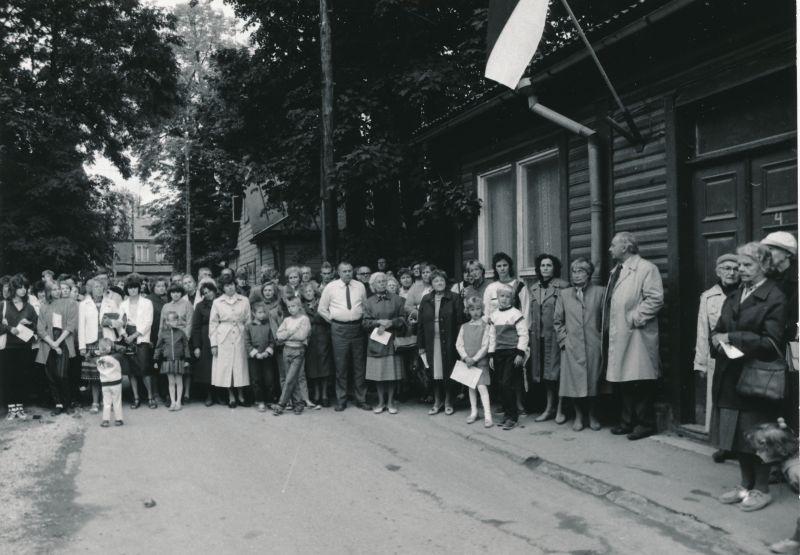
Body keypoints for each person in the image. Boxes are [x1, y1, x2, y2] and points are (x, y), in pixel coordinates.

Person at [711, 242, 786, 512]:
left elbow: (772, 342)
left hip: (757, 378)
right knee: (739, 436)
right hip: (730, 375)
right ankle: (745, 485)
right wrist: (717, 339)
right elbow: (718, 328)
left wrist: (732, 337)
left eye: (747, 265)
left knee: (759, 436)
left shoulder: (774, 296)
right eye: (740, 265)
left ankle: (762, 489)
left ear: (764, 266)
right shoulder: (735, 294)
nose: (740, 270)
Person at [603, 232, 664, 440]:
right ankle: (627, 422)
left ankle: (645, 423)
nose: (610, 249)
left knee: (639, 379)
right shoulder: (616, 271)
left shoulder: (646, 268)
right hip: (621, 332)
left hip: (637, 333)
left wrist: (635, 318)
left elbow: (655, 299)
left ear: (626, 247)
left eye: (613, 245)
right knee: (625, 379)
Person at [694, 253, 740, 458]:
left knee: (739, 401)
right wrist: (701, 363)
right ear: (718, 271)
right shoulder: (708, 296)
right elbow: (702, 330)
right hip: (718, 356)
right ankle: (723, 445)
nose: (731, 272)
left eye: (735, 268)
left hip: (740, 354)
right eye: (726, 268)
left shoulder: (744, 293)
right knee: (719, 401)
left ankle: (739, 446)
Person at [554, 258, 604, 431]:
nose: (576, 275)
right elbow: (558, 321)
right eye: (574, 271)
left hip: (593, 345)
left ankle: (593, 415)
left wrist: (601, 341)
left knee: (593, 382)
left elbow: (606, 320)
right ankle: (579, 416)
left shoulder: (600, 292)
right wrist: (564, 341)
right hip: (572, 345)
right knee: (574, 383)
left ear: (589, 274)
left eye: (580, 271)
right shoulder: (564, 294)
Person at [318, 261, 371, 411]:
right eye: (344, 271)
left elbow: (365, 306)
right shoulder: (331, 287)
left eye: (349, 271)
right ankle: (341, 399)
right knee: (340, 365)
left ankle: (361, 398)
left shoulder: (360, 286)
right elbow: (322, 309)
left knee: (359, 365)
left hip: (357, 328)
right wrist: (333, 321)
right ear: (338, 272)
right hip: (339, 329)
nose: (348, 273)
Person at [417, 270, 464, 416]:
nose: (439, 283)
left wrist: (459, 344)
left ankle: (449, 401)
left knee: (448, 372)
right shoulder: (426, 299)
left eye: (442, 280)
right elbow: (420, 325)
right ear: (431, 284)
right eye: (436, 281)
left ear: (446, 282)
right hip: (432, 342)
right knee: (434, 372)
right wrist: (421, 345)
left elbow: (460, 323)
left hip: (450, 341)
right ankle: (437, 401)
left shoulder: (455, 298)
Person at [529, 254, 569, 423]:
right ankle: (549, 407)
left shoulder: (563, 287)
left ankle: (560, 409)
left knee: (557, 373)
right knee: (546, 375)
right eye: (542, 265)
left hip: (556, 337)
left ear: (555, 268)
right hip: (539, 338)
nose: (545, 268)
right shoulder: (534, 288)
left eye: (549, 265)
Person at [363, 272, 406, 414]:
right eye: (378, 282)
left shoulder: (397, 300)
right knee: (379, 375)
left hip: (392, 341)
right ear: (373, 285)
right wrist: (377, 322)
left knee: (391, 374)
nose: (382, 283)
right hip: (376, 342)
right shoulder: (368, 302)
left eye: (384, 281)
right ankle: (381, 402)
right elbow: (364, 323)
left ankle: (390, 402)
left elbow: (403, 319)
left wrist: (392, 322)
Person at [488, 284, 529, 430]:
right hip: (499, 354)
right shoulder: (494, 315)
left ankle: (513, 416)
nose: (504, 299)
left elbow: (524, 335)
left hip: (512, 353)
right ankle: (507, 414)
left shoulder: (515, 314)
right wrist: (491, 355)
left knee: (507, 383)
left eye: (507, 297)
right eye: (501, 296)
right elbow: (492, 336)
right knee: (500, 384)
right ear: (497, 298)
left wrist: (520, 353)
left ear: (512, 299)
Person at [37, 281, 79, 416]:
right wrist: (52, 344)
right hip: (48, 343)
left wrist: (58, 343)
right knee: (51, 376)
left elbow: (71, 325)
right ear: (48, 292)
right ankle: (58, 404)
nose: (57, 292)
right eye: (53, 289)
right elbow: (40, 328)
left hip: (64, 341)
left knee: (62, 375)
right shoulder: (44, 307)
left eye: (58, 289)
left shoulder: (70, 303)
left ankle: (67, 403)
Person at [210, 274, 251, 408]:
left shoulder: (244, 300)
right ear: (222, 288)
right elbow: (213, 324)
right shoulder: (217, 302)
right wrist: (214, 344)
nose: (230, 288)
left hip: (240, 334)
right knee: (226, 366)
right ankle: (230, 396)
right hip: (224, 336)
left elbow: (248, 320)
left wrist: (249, 339)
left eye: (232, 284)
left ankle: (241, 394)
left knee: (240, 365)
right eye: (226, 286)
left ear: (235, 285)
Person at [1, 274, 38, 419]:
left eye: (25, 287)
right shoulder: (3, 305)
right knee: (9, 377)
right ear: (13, 288)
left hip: (25, 346)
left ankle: (20, 407)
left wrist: (29, 324)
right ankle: (11, 408)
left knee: (23, 376)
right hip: (8, 347)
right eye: (20, 287)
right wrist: (9, 328)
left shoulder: (29, 307)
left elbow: (38, 326)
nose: (23, 290)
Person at [118, 275, 156, 409]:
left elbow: (148, 323)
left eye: (135, 288)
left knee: (145, 369)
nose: (132, 290)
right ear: (126, 290)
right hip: (127, 337)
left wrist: (134, 336)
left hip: (141, 337)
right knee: (131, 370)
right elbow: (119, 322)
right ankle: (136, 398)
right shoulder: (123, 304)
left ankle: (151, 397)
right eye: (130, 288)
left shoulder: (147, 303)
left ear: (139, 289)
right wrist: (124, 335)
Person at [456, 296, 493, 427]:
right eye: (472, 309)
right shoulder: (464, 327)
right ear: (468, 311)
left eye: (478, 309)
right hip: (468, 362)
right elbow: (459, 344)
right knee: (471, 387)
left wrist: (475, 359)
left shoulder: (485, 326)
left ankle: (488, 415)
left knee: (482, 387)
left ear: (482, 310)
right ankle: (474, 412)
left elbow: (485, 345)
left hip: (479, 361)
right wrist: (466, 357)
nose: (475, 312)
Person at [273, 296, 311, 415]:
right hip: (286, 350)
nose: (291, 309)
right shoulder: (287, 320)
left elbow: (302, 336)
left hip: (298, 351)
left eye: (293, 306)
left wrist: (287, 334)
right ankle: (298, 404)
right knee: (291, 378)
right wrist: (292, 332)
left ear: (299, 306)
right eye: (289, 306)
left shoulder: (304, 319)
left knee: (290, 379)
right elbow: (279, 335)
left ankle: (281, 404)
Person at [300, 283, 333, 407]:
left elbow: (327, 318)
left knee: (324, 366)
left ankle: (324, 394)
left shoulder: (322, 304)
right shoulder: (301, 306)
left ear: (315, 292)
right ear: (302, 294)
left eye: (310, 291)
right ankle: (317, 393)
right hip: (309, 338)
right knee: (312, 367)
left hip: (323, 337)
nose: (308, 293)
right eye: (305, 292)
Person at [161, 283, 194, 404]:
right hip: (169, 340)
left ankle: (185, 394)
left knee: (184, 369)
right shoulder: (166, 306)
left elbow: (190, 322)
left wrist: (187, 337)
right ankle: (171, 396)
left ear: (181, 293)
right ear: (170, 293)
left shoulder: (187, 304)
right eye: (173, 292)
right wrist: (162, 339)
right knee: (170, 369)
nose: (175, 294)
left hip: (183, 337)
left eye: (178, 292)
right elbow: (162, 324)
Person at [78, 279, 107, 414]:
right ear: (91, 289)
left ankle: (105, 401)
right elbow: (81, 326)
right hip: (91, 342)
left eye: (101, 287)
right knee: (94, 375)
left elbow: (118, 321)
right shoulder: (84, 304)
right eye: (96, 287)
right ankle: (95, 402)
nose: (99, 289)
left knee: (107, 372)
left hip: (106, 342)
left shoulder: (110, 303)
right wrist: (82, 346)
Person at [154, 311, 191, 411]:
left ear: (177, 320)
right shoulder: (163, 334)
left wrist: (187, 359)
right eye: (170, 320)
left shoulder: (181, 333)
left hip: (179, 360)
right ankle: (173, 402)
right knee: (171, 382)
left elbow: (186, 347)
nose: (173, 322)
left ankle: (179, 402)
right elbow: (158, 347)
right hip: (168, 361)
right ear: (166, 321)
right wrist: (156, 360)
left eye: (175, 319)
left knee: (179, 381)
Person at [245, 301, 276, 412]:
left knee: (269, 379)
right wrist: (256, 353)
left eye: (264, 312)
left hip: (266, 357)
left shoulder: (268, 325)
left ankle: (270, 401)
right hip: (254, 358)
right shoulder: (249, 327)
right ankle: (260, 401)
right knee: (256, 380)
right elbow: (247, 343)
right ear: (254, 313)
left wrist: (267, 352)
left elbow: (272, 341)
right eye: (259, 312)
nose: (262, 314)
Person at [191, 281, 218, 406]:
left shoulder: (221, 303)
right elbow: (195, 327)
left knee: (220, 366)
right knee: (207, 368)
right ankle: (209, 395)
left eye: (210, 291)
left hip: (221, 337)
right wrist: (196, 346)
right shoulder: (200, 306)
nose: (208, 294)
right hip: (205, 338)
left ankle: (221, 394)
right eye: (205, 293)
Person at [483, 252, 529, 323]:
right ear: (495, 268)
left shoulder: (519, 286)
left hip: (514, 328)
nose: (502, 268)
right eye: (499, 266)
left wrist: (524, 330)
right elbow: (486, 312)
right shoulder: (490, 288)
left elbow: (526, 311)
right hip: (495, 329)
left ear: (509, 266)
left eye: (505, 265)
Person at [95, 338, 124, 427]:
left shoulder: (98, 360)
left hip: (105, 384)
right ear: (110, 348)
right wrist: (114, 346)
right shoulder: (116, 358)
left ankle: (105, 420)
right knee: (117, 401)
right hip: (116, 383)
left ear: (99, 349)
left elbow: (90, 358)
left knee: (106, 402)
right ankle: (118, 419)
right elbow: (123, 350)